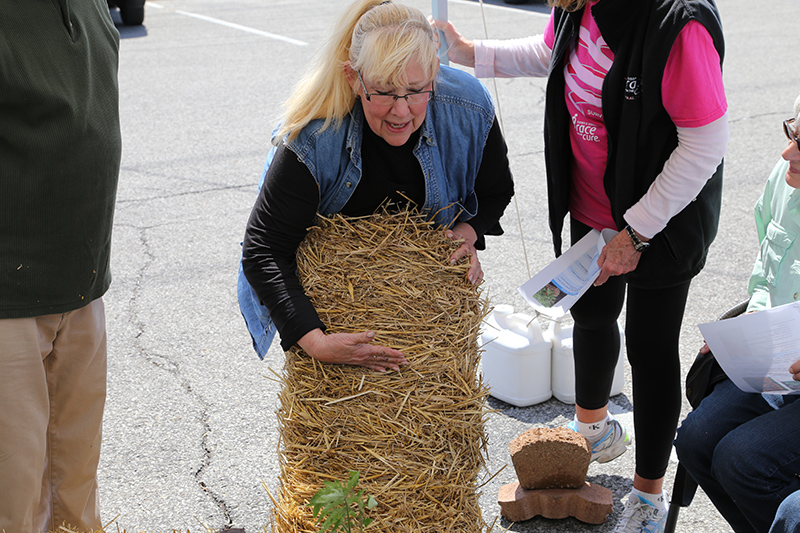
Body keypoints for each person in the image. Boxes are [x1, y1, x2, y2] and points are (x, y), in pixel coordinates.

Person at [431, 0, 728, 531]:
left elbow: (705, 142)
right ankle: (591, 430)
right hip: (593, 208)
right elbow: (552, 50)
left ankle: (648, 495)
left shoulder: (678, 25)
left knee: (650, 347)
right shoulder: (580, 6)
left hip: (661, 218)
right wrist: (470, 53)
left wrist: (637, 230)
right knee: (590, 318)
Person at [238, 0, 514, 371]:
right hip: (334, 303)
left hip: (427, 324)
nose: (401, 111)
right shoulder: (315, 136)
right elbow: (264, 249)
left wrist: (467, 230)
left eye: (416, 90)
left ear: (434, 74)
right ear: (355, 78)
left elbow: (497, 189)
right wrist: (316, 342)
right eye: (383, 91)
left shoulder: (468, 106)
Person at [0, 2, 122, 533]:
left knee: (75, 497)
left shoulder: (92, 4)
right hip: (7, 301)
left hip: (83, 284)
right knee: (15, 501)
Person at [674, 94, 800, 533]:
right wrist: (750, 332)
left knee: (743, 461)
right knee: (696, 440)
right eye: (793, 131)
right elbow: (766, 271)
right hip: (778, 366)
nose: (788, 152)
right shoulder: (784, 181)